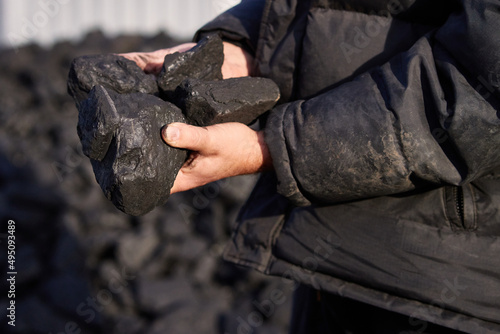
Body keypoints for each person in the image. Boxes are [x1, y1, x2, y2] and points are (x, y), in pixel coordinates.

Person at [123, 0, 500, 333]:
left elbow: (476, 92)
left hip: (441, 286)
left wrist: (272, 148)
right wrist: (244, 45)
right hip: (329, 243)